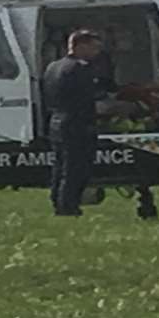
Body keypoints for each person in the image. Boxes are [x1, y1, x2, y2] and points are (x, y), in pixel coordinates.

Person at [41, 29, 108, 216]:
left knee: (60, 166)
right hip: (77, 124)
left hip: (56, 121)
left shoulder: (53, 67)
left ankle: (57, 201)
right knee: (76, 168)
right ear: (81, 46)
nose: (96, 52)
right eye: (94, 47)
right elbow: (88, 98)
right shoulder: (80, 68)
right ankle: (68, 206)